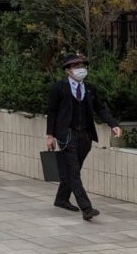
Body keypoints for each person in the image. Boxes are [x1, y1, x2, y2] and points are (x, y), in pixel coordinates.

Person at [46, 53, 122, 220]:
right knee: (74, 171)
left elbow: (100, 108)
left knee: (74, 170)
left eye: (82, 66)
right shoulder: (59, 87)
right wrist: (50, 135)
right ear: (67, 70)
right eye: (76, 66)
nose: (81, 69)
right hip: (66, 135)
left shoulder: (89, 88)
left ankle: (61, 199)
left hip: (85, 135)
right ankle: (86, 208)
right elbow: (52, 111)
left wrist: (113, 124)